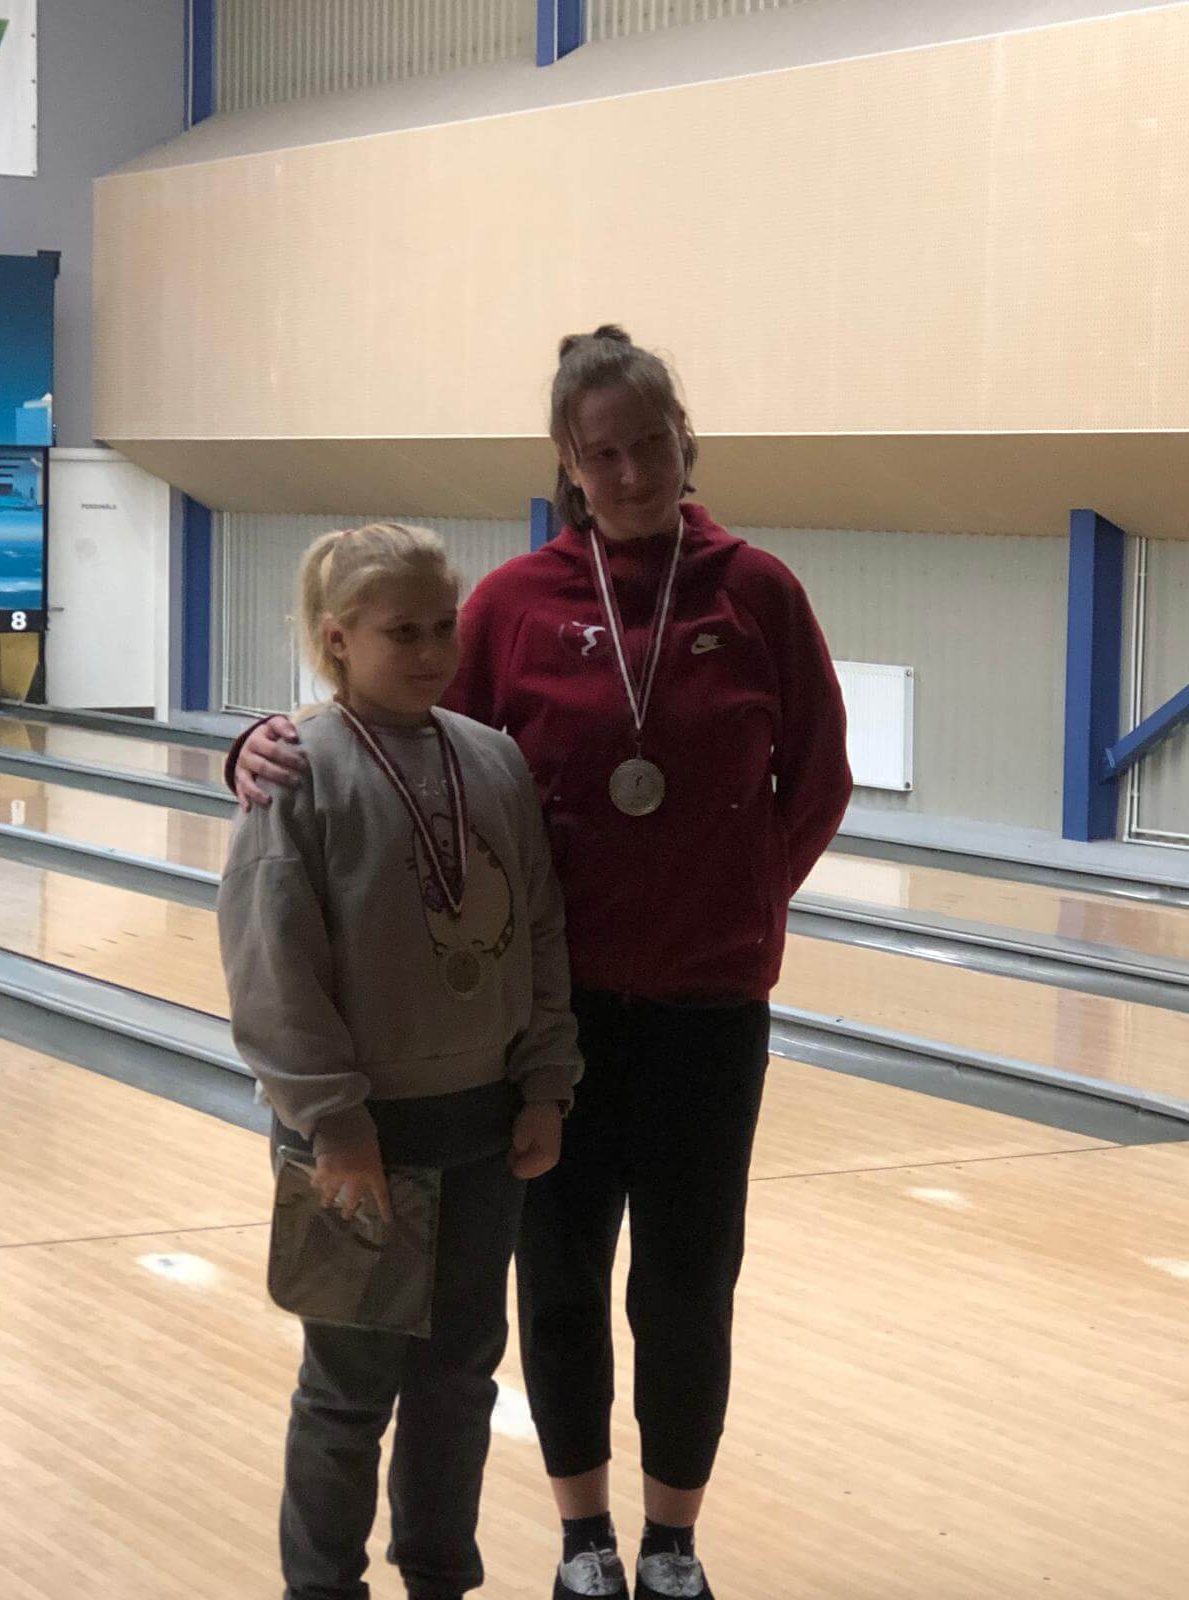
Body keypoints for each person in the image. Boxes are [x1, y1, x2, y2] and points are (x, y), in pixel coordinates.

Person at [229, 329, 852, 1600]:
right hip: (539, 1030)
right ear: (568, 462)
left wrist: (739, 904)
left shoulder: (759, 592)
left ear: (685, 437)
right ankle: (583, 1540)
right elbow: (402, 743)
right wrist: (257, 744)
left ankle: (669, 1543)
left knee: (683, 1287)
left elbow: (820, 777)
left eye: (649, 443)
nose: (629, 471)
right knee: (541, 1290)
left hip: (701, 1011)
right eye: (600, 452)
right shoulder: (514, 603)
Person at [217, 522, 582, 1600]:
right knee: (348, 1391)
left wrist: (546, 1081)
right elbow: (272, 966)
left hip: (481, 1120)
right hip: (355, 1135)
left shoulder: (492, 758)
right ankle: (322, 1587)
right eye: (400, 632)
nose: (430, 651)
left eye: (442, 627)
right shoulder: (297, 772)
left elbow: (541, 929)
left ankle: (439, 1577)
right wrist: (333, 1124)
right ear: (337, 638)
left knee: (458, 1381)